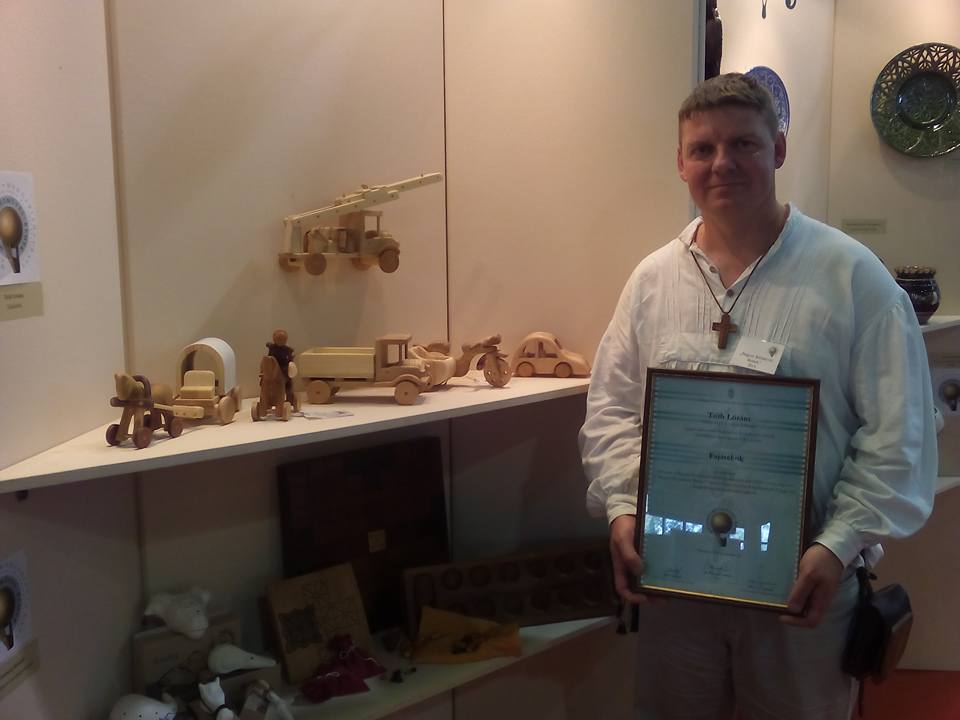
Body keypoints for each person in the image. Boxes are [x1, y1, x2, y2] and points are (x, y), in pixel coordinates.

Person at [579, 73, 937, 720]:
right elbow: (613, 410)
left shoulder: (852, 277)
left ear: (778, 148)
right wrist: (623, 507)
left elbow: (899, 431)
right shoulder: (652, 281)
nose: (722, 163)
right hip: (677, 583)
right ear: (681, 163)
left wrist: (838, 545)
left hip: (805, 583)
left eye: (743, 144)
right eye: (703, 149)